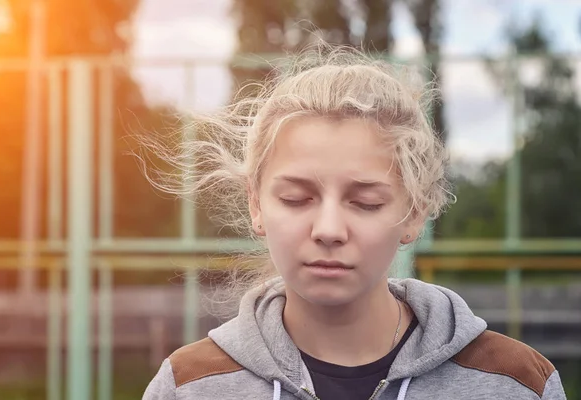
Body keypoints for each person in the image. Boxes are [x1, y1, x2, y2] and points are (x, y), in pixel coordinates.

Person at [141, 42, 567, 400]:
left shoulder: (517, 383)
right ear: (256, 205)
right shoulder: (188, 385)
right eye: (296, 198)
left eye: (364, 202)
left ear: (413, 213)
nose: (328, 230)